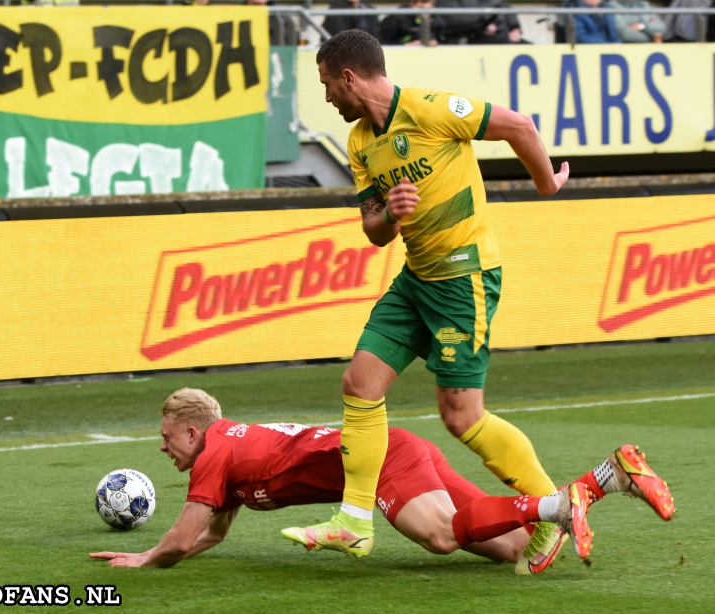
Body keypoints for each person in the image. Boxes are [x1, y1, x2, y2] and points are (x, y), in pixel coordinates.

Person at [285, 28, 573, 575]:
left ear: (349, 77)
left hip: (463, 280)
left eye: (326, 85)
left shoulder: (431, 109)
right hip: (415, 279)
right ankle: (354, 520)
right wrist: (388, 214)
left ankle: (555, 512)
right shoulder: (358, 141)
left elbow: (520, 126)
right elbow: (373, 231)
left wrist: (546, 185)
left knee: (462, 416)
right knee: (359, 383)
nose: (325, 98)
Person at [89, 388, 674, 569]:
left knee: (443, 536)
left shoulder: (216, 450)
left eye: (167, 437)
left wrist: (146, 559)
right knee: (509, 550)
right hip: (400, 450)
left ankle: (567, 500)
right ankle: (604, 479)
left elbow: (186, 536)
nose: (162, 447)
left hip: (387, 460)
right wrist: (167, 548)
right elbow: (211, 533)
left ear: (194, 432)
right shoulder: (228, 454)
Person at [380, 0, 447, 45]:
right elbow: (382, 43)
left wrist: (436, 44)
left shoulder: (438, 20)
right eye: (424, 1)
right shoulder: (396, 19)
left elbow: (445, 42)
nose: (428, 6)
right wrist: (405, 46)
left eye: (432, 3)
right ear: (413, 4)